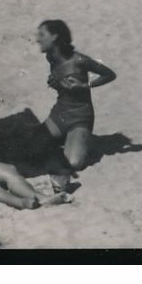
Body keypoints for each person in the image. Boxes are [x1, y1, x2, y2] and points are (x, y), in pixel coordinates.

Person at [36, 19, 115, 191]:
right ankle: (69, 140)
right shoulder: (51, 57)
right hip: (60, 113)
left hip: (80, 116)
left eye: (42, 35)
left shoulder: (79, 60)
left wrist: (85, 86)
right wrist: (54, 82)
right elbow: (60, 78)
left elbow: (109, 74)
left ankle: (79, 139)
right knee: (31, 149)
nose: (37, 39)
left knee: (74, 163)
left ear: (55, 37)